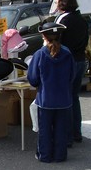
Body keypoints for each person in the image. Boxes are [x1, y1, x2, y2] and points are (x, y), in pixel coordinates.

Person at [27, 22, 75, 162]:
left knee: (45, 130)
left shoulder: (40, 54)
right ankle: (60, 155)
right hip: (64, 99)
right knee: (61, 130)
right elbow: (72, 76)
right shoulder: (67, 53)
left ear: (44, 36)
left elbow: (33, 78)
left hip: (45, 99)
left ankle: (45, 155)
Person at [55, 0, 89, 145]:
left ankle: (67, 135)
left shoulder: (63, 20)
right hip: (80, 60)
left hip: (67, 62)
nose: (55, 3)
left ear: (62, 3)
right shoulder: (81, 19)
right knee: (74, 97)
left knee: (65, 99)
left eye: (57, 1)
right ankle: (76, 132)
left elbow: (56, 43)